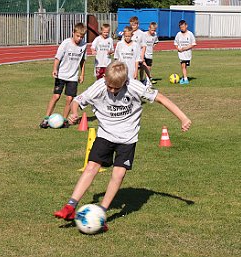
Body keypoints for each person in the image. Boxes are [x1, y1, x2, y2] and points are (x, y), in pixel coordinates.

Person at [54, 60, 192, 231]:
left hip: (127, 137)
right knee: (91, 167)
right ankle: (70, 206)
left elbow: (161, 99)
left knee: (118, 174)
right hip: (105, 134)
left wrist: (183, 118)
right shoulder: (99, 86)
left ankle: (101, 214)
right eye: (109, 86)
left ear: (125, 82)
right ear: (104, 78)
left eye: (116, 88)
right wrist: (74, 112)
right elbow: (77, 100)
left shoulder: (135, 87)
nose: (111, 91)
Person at [39, 23, 87, 128]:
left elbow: (82, 61)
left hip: (73, 76)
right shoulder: (66, 43)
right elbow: (58, 58)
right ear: (73, 33)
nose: (79, 38)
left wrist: (82, 74)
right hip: (61, 75)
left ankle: (64, 120)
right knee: (56, 96)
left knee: (70, 99)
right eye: (77, 36)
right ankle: (46, 118)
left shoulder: (83, 45)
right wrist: (55, 69)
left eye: (81, 37)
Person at [174, 20, 196, 85]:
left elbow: (194, 43)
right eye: (181, 27)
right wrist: (178, 48)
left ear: (186, 26)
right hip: (181, 54)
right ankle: (185, 79)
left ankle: (184, 77)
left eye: (183, 27)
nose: (182, 28)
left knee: (185, 66)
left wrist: (186, 48)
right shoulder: (178, 34)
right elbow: (175, 43)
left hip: (188, 54)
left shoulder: (190, 34)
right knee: (183, 66)